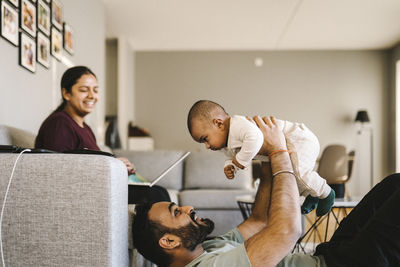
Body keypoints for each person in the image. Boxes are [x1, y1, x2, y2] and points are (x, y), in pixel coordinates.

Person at [132, 116, 400, 267]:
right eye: (176, 212)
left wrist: (266, 157)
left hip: (329, 257)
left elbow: (259, 220)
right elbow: (286, 231)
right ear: (169, 242)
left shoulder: (208, 249)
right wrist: (279, 152)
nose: (188, 208)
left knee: (393, 184)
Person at [35, 66, 170, 203]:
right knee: (155, 195)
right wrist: (114, 166)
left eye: (95, 90)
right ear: (66, 94)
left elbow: (93, 164)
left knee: (159, 191)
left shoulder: (86, 128)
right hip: (84, 191)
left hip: (97, 186)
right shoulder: (59, 123)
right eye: (83, 90)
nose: (92, 96)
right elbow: (58, 170)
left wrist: (118, 168)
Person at [187, 100, 334, 216]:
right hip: (287, 145)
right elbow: (231, 158)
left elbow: (255, 138)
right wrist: (229, 166)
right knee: (292, 178)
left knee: (300, 173)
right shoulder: (227, 145)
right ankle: (312, 194)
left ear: (218, 123)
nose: (206, 146)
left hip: (298, 139)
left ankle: (326, 192)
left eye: (205, 139)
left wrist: (240, 161)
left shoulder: (237, 125)